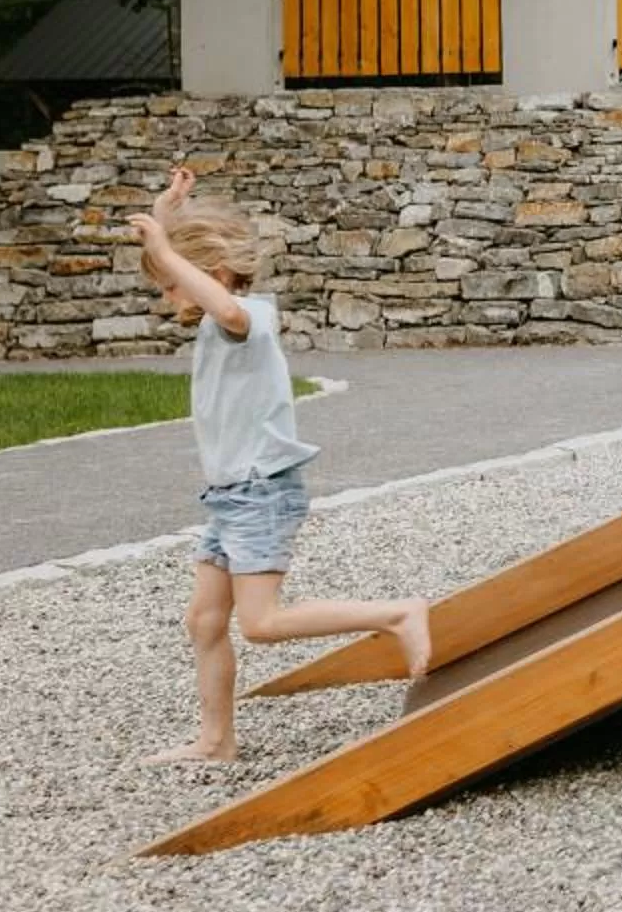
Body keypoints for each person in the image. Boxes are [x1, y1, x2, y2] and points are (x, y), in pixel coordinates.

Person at [130, 167, 429, 765]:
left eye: (169, 284)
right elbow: (203, 283)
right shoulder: (217, 321)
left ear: (210, 276)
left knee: (261, 623)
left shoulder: (249, 319)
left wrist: (167, 246)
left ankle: (398, 613)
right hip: (228, 495)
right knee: (205, 619)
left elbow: (227, 308)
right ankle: (217, 741)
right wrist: (166, 214)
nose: (167, 296)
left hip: (260, 492)